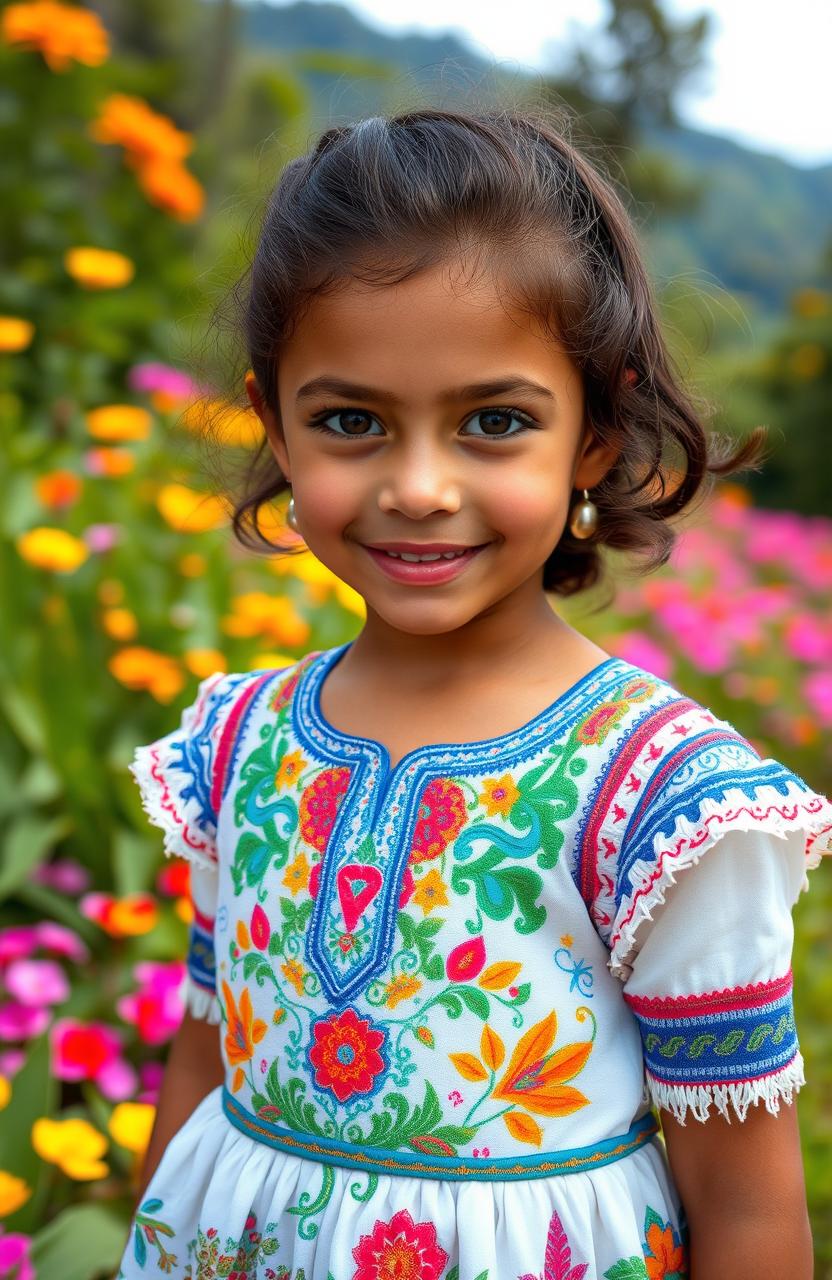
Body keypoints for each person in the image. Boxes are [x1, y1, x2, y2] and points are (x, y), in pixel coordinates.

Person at [116, 108, 831, 1280]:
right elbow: (205, 1063)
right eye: (350, 421)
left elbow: (750, 1214)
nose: (418, 487)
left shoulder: (663, 800)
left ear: (595, 432)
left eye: (494, 422)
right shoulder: (234, 743)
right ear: (273, 423)